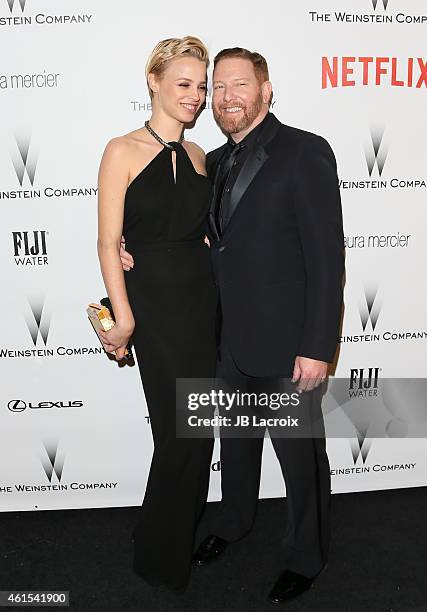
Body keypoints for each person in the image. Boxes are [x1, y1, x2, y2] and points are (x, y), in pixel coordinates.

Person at [120, 47, 344, 604]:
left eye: (238, 86)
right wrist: (131, 250)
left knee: (300, 458)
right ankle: (233, 522)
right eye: (217, 88)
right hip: (222, 340)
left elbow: (326, 258)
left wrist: (317, 346)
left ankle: (306, 557)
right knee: (237, 446)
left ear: (266, 90)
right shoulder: (211, 164)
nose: (224, 99)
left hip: (287, 345)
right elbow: (188, 241)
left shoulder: (304, 152)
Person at [96, 36, 218, 591]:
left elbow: (209, 237)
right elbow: (108, 243)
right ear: (154, 82)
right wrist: (122, 318)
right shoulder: (121, 150)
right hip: (156, 307)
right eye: (184, 84)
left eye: (201, 86)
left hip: (203, 301)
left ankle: (167, 534)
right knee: (178, 432)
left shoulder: (199, 157)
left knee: (199, 429)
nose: (195, 96)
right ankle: (159, 557)